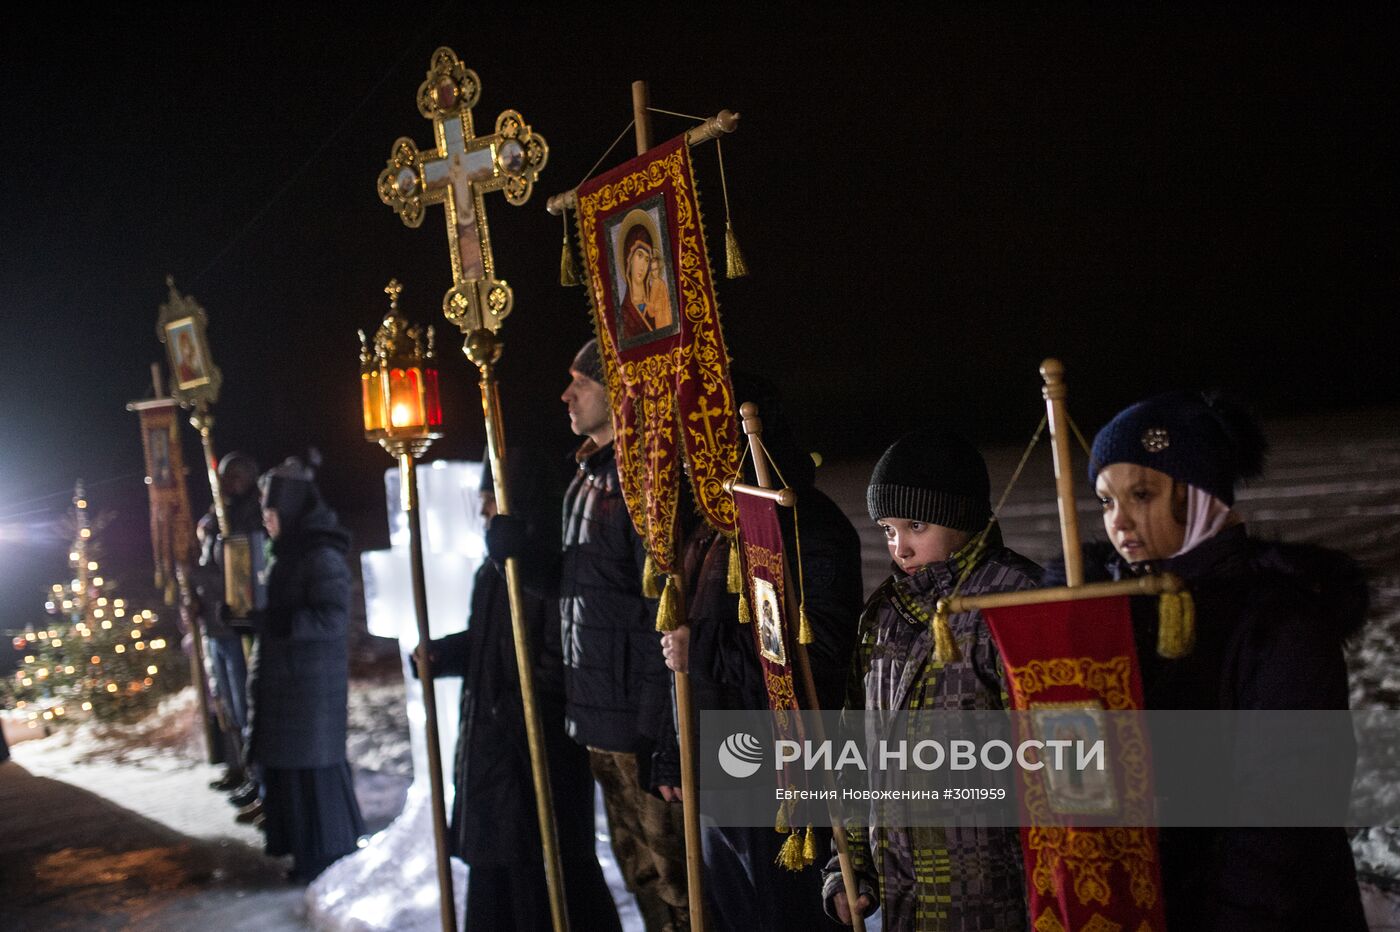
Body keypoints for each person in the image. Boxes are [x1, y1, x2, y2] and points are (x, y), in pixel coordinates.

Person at [1082, 390, 1367, 930]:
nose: (1118, 522)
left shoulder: (1279, 621)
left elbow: (1285, 817)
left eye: (1141, 494)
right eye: (1105, 501)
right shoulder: (1117, 614)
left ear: (1199, 494)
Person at [488, 338, 688, 932]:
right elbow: (581, 590)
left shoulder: (643, 481)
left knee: (676, 879)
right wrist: (519, 558)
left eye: (582, 382)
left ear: (619, 392)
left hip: (638, 723)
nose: (567, 394)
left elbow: (663, 609)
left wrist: (663, 734)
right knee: (641, 876)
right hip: (598, 716)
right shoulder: (586, 478)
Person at [659, 380, 864, 932]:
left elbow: (815, 655)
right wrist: (672, 748)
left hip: (782, 774)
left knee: (786, 915)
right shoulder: (711, 524)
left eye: (699, 438)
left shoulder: (803, 525)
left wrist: (698, 650)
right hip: (719, 767)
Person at [822, 427, 1040, 931]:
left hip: (995, 898)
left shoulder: (1016, 603)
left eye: (916, 525)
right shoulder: (885, 612)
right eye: (889, 530)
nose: (900, 547)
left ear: (960, 517)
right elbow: (854, 746)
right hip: (904, 898)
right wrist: (849, 866)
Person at [421, 458, 620, 932]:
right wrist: (442, 656)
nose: (484, 508)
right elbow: (487, 643)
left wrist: (511, 713)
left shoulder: (548, 570)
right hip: (494, 755)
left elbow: (560, 660)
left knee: (544, 878)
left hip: (533, 753)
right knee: (498, 882)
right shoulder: (492, 573)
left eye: (492, 497)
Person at [250, 455, 364, 883]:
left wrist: (280, 622)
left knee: (312, 777)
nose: (267, 522)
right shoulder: (290, 552)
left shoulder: (321, 555)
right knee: (293, 776)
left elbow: (334, 618)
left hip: (310, 690)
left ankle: (325, 853)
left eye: (273, 513)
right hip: (290, 686)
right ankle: (304, 851)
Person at [192, 452, 262, 803]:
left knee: (243, 701)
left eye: (239, 475)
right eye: (227, 476)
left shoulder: (250, 515)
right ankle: (238, 767)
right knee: (227, 705)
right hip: (214, 626)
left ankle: (258, 778)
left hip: (236, 626)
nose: (232, 482)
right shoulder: (215, 515)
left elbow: (238, 570)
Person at [617, 215, 673, 342]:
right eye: (640, 255)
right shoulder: (623, 313)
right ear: (629, 259)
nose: (643, 265)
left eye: (647, 259)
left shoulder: (658, 293)